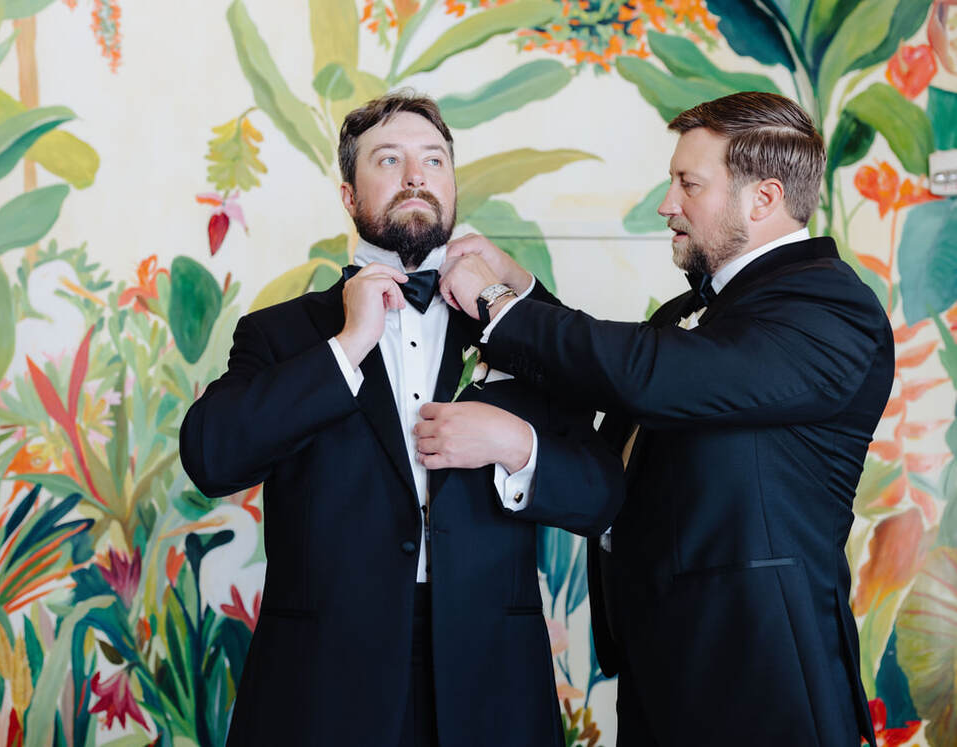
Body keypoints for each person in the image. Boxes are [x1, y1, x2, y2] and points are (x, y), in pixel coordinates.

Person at [434, 91, 893, 747]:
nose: (666, 203)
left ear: (761, 200)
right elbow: (630, 387)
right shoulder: (685, 321)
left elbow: (659, 376)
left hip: (761, 689)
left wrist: (502, 308)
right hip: (665, 674)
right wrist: (524, 293)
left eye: (687, 183)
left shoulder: (830, 306)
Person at [179, 91, 623, 747]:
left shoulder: (519, 329)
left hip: (492, 684)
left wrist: (511, 443)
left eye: (434, 160)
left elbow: (600, 494)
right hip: (322, 687)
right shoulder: (282, 334)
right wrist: (346, 346)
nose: (417, 176)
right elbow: (211, 458)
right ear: (348, 197)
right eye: (389, 160)